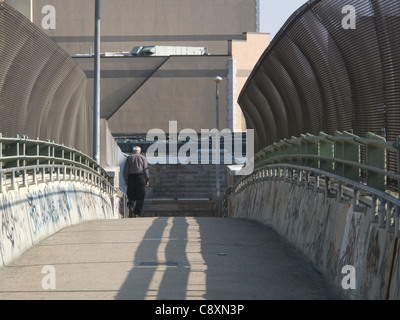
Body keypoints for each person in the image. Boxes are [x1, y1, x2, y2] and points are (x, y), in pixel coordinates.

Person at [123, 146, 150, 218]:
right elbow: (145, 170)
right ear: (140, 151)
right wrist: (147, 179)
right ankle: (137, 213)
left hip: (131, 177)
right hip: (140, 177)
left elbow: (126, 170)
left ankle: (131, 206)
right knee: (140, 196)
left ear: (133, 151)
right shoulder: (143, 158)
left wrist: (125, 179)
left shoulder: (129, 158)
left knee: (131, 194)